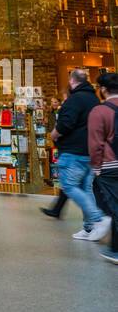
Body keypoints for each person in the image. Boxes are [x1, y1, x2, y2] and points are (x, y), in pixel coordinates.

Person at [53, 68, 111, 243]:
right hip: (89, 150)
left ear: (72, 81)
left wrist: (54, 134)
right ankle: (88, 227)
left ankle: (98, 219)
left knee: (69, 186)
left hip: (73, 151)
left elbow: (65, 124)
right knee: (86, 189)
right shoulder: (94, 99)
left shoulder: (74, 100)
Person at [89, 72, 118, 265]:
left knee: (114, 207)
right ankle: (114, 247)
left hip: (110, 165)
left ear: (103, 90)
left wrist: (96, 167)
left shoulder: (99, 112)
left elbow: (95, 143)